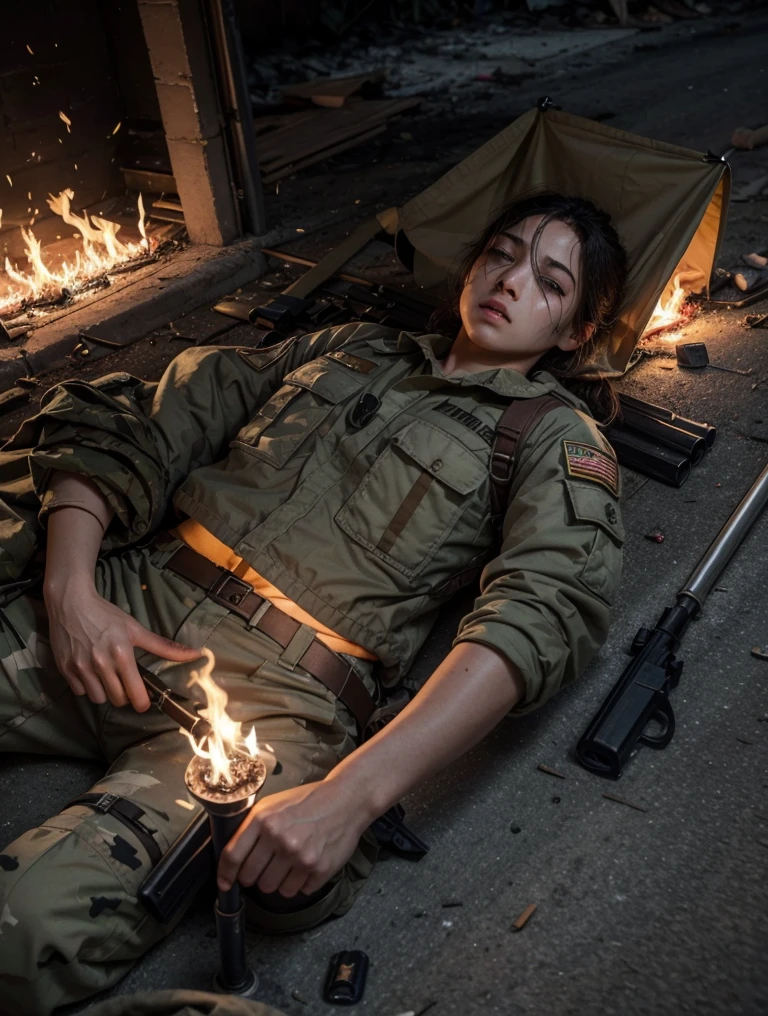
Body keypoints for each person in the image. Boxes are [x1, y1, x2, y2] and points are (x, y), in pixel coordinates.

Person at [0, 192, 627, 1014]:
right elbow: (147, 419)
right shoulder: (350, 347)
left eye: (548, 281)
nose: (510, 281)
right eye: (502, 254)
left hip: (268, 707)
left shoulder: (555, 437)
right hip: (124, 605)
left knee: (20, 934)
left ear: (575, 332)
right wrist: (72, 589)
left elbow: (542, 614)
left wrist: (350, 797)